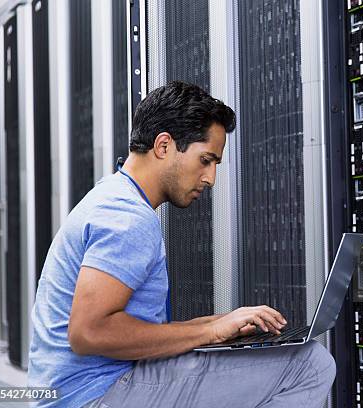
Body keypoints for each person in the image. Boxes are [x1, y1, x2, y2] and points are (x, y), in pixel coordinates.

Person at [28, 81, 336, 407]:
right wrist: (209, 334)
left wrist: (219, 324)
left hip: (82, 391)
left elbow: (132, 330)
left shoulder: (113, 197)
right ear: (164, 146)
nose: (210, 178)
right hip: (97, 396)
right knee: (310, 364)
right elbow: (89, 333)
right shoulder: (127, 218)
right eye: (206, 160)